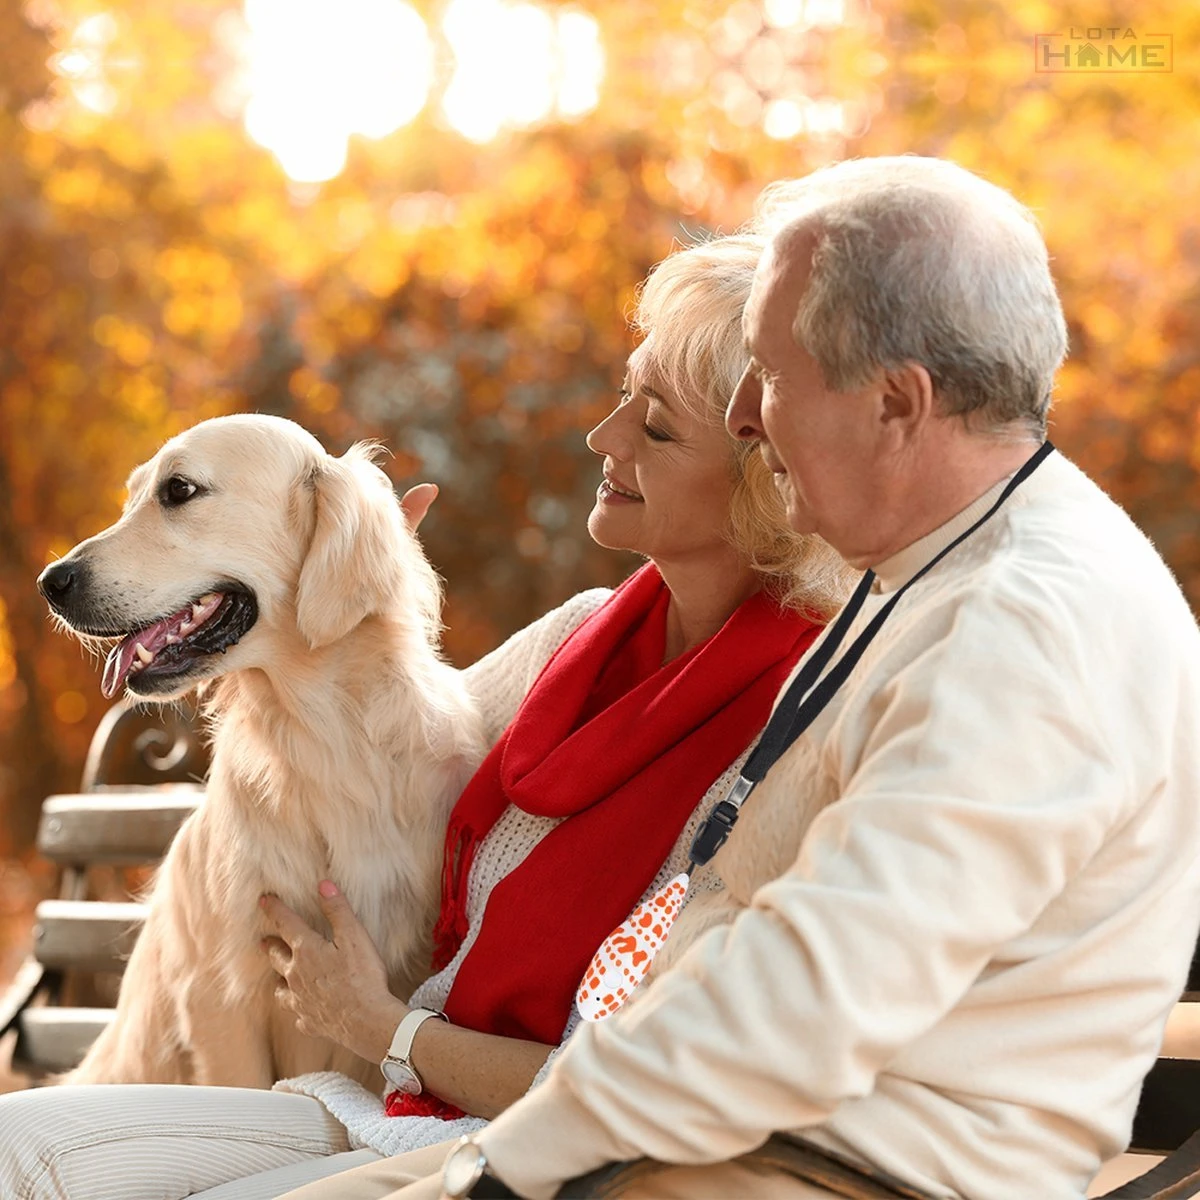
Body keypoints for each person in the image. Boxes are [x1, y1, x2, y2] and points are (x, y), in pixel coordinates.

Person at [269, 156, 1200, 1200]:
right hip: (705, 1146)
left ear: (896, 403)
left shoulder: (1019, 633)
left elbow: (797, 1006)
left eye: (770, 373)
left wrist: (493, 1172)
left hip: (812, 1174)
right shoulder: (940, 574)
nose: (748, 417)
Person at [0, 231, 854, 1199]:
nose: (602, 437)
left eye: (653, 427)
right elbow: (384, 735)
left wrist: (388, 1029)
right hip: (387, 1102)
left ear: (763, 479)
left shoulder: (799, 723)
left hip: (520, 1135)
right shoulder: (580, 637)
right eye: (624, 397)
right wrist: (343, 560)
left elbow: (666, 1083)